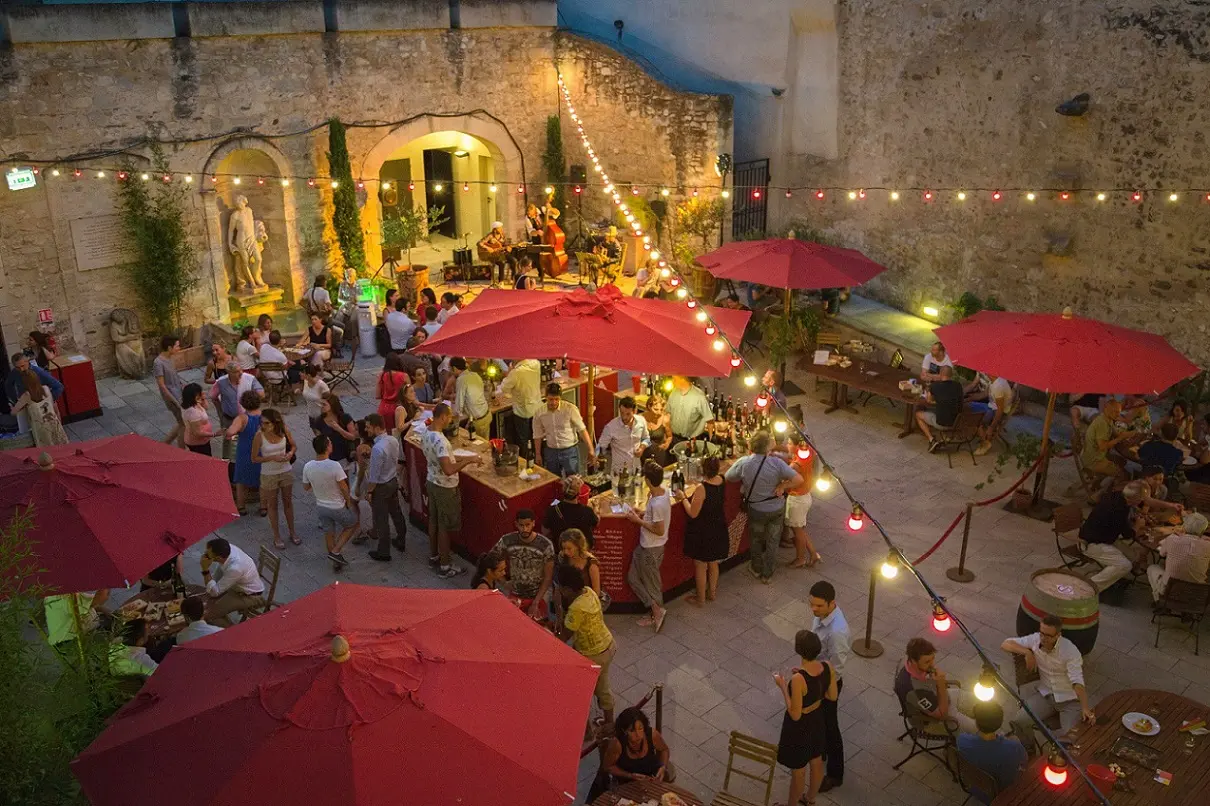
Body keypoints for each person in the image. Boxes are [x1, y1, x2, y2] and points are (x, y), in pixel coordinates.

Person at [1002, 615, 1095, 753]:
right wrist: (1027, 652)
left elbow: (1077, 682)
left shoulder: (1070, 651)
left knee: (1068, 740)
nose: (1043, 639)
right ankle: (1029, 750)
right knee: (1019, 721)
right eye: (1042, 633)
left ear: (1058, 635)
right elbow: (1005, 644)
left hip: (1069, 701)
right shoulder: (1035, 640)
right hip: (1045, 695)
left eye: (1048, 636)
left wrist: (1085, 708)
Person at [725, 431, 802, 583]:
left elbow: (728, 476)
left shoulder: (744, 463)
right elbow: (799, 479)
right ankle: (768, 573)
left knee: (756, 539)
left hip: (756, 509)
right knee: (773, 540)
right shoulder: (777, 463)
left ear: (751, 446)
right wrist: (783, 485)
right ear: (768, 448)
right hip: (776, 508)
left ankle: (756, 568)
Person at [774, 630, 838, 806]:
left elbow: (795, 714)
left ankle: (792, 804)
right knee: (816, 761)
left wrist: (782, 687)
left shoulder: (797, 679)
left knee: (799, 770)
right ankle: (810, 799)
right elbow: (832, 696)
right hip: (817, 720)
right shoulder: (827, 666)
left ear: (799, 650)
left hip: (800, 727)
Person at [421, 403, 481, 576]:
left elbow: (446, 458)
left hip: (431, 481)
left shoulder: (427, 432)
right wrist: (468, 461)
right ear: (443, 417)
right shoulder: (440, 440)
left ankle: (434, 555)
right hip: (445, 488)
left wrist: (468, 457)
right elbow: (448, 469)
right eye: (449, 418)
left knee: (434, 521)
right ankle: (445, 565)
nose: (450, 421)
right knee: (444, 527)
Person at [556, 563, 616, 731]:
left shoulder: (576, 608)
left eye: (560, 588)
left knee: (583, 692)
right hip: (607, 644)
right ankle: (608, 723)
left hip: (594, 655)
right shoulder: (588, 592)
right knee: (601, 687)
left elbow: (565, 636)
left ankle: (591, 730)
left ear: (567, 589)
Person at [808, 581, 850, 793]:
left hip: (828, 682)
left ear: (831, 603)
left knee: (831, 726)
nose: (814, 610)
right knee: (821, 720)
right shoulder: (821, 616)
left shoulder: (837, 632)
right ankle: (821, 749)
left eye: (818, 606)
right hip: (817, 675)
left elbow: (837, 667)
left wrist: (825, 687)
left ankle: (835, 774)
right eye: (812, 605)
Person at [893, 637, 978, 734]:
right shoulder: (914, 690)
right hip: (931, 720)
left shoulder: (909, 661)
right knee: (978, 730)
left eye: (933, 659)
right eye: (927, 662)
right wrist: (941, 684)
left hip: (939, 696)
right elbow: (943, 715)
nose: (932, 664)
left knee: (980, 702)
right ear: (913, 661)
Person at [624, 461, 671, 632]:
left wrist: (638, 521)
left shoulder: (657, 503)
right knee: (633, 577)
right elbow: (655, 519)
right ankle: (655, 609)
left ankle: (657, 613)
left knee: (652, 584)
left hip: (651, 549)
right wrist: (642, 513)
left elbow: (659, 530)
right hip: (647, 547)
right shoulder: (661, 493)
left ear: (648, 480)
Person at [676, 455, 728, 605]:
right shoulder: (722, 480)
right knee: (713, 562)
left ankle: (700, 598)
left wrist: (683, 497)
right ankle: (712, 593)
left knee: (700, 564)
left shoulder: (702, 488)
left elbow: (693, 513)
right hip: (718, 527)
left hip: (704, 531)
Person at [1078, 480, 1147, 593]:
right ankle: (1089, 588)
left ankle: (1110, 577)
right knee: (1125, 565)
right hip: (1091, 543)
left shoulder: (1116, 496)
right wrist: (1138, 526)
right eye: (1142, 499)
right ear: (1135, 500)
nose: (1143, 501)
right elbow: (1127, 535)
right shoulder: (1119, 509)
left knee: (1134, 556)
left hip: (1102, 536)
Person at [304, 434, 358, 567]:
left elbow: (306, 487)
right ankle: (336, 551)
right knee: (352, 524)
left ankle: (335, 562)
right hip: (337, 505)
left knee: (329, 533)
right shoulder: (334, 466)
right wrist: (349, 503)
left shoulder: (308, 466)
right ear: (327, 447)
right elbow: (344, 488)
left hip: (321, 506)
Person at [958, 703, 1028, 803]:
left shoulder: (962, 740)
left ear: (977, 723)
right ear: (1000, 723)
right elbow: (1024, 761)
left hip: (973, 786)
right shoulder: (1014, 747)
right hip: (1002, 794)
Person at [362, 413, 408, 563]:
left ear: (376, 428)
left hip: (381, 487)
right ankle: (401, 539)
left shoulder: (377, 449)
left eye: (368, 427)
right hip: (392, 480)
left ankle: (384, 551)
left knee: (381, 519)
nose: (366, 429)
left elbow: (374, 476)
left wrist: (369, 491)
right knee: (396, 512)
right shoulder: (392, 440)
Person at [492, 509, 555, 619]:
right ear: (516, 524)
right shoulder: (507, 540)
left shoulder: (545, 545)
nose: (524, 529)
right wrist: (504, 582)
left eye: (527, 525)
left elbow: (548, 577)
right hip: (515, 594)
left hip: (539, 595)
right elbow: (491, 560)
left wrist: (536, 602)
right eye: (521, 525)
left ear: (533, 523)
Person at [251, 408, 298, 549]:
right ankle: (277, 536)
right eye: (262, 423)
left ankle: (292, 532)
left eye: (266, 423)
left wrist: (290, 454)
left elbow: (294, 446)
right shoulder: (259, 436)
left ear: (274, 423)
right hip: (268, 474)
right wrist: (272, 457)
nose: (263, 426)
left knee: (288, 502)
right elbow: (254, 458)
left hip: (285, 470)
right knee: (272, 505)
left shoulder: (284, 431)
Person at [533, 382, 596, 477]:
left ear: (560, 398)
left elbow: (582, 430)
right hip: (551, 451)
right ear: (545, 397)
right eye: (550, 399)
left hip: (570, 451)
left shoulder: (570, 409)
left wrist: (591, 449)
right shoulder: (539, 413)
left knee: (574, 481)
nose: (553, 402)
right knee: (553, 481)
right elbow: (537, 435)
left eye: (556, 399)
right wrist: (538, 454)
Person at [201, 537, 265, 627]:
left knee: (209, 616)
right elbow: (219, 573)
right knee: (208, 602)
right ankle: (222, 615)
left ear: (218, 558)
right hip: (236, 586)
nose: (204, 556)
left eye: (207, 555)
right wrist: (212, 584)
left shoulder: (235, 568)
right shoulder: (228, 549)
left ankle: (231, 630)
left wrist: (205, 570)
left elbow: (214, 593)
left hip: (248, 596)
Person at [1146, 511, 1210, 601]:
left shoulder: (1172, 539)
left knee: (1152, 568)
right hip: (1196, 592)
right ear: (1203, 530)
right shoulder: (1208, 545)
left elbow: (1161, 554)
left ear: (1184, 526)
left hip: (1169, 589)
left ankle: (1159, 600)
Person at [604, 707, 675, 786]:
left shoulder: (652, 735)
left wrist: (663, 767)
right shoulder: (617, 744)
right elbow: (608, 767)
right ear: (624, 731)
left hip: (652, 777)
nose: (638, 735)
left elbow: (664, 750)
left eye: (640, 728)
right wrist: (630, 775)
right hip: (628, 783)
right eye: (632, 731)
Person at [208, 363, 264, 460]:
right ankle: (226, 461)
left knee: (249, 439)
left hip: (246, 418)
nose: (241, 372)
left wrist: (250, 399)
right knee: (228, 442)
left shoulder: (249, 379)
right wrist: (220, 413)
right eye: (237, 371)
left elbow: (261, 394)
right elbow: (213, 397)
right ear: (229, 372)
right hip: (229, 418)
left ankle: (250, 458)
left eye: (241, 370)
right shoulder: (221, 382)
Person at [225, 390, 264, 516]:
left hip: (245, 451)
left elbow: (230, 432)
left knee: (241, 481)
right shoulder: (265, 416)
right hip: (261, 450)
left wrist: (228, 432)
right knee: (263, 479)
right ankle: (263, 507)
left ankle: (241, 506)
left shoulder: (242, 418)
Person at [12, 363, 68, 447]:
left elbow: (14, 412)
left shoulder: (26, 396)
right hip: (53, 423)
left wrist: (12, 406)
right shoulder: (46, 388)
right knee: (61, 447)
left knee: (48, 452)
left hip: (41, 428)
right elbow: (54, 407)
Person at [786, 435, 820, 568]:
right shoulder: (808, 453)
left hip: (797, 499)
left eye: (789, 443)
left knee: (797, 532)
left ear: (796, 446)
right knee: (800, 530)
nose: (787, 445)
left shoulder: (795, 465)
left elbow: (785, 477)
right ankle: (813, 554)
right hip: (806, 496)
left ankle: (800, 559)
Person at [1080, 399, 1128, 488]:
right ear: (1106, 409)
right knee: (1123, 474)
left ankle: (1097, 484)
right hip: (1093, 460)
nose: (1118, 415)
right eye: (1116, 412)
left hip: (1094, 455)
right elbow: (1102, 447)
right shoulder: (1102, 424)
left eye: (1119, 412)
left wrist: (1129, 434)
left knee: (1122, 461)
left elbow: (1115, 432)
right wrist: (1118, 439)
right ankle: (1105, 495)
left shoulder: (1107, 419)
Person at [596, 396, 651, 474]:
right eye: (622, 413)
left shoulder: (641, 421)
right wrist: (596, 456)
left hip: (637, 469)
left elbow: (647, 438)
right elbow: (600, 446)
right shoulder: (611, 427)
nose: (624, 417)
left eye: (628, 414)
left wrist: (642, 448)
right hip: (618, 472)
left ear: (635, 411)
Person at [915, 365, 964, 449]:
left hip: (941, 423)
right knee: (936, 410)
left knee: (918, 414)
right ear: (951, 375)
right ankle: (944, 435)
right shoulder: (958, 386)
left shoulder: (935, 386)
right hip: (956, 421)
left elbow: (928, 401)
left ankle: (931, 439)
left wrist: (934, 399)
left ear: (940, 374)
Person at [501, 358, 541, 458]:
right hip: (537, 407)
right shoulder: (536, 364)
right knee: (536, 436)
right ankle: (538, 458)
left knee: (524, 440)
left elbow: (504, 387)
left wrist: (510, 371)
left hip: (522, 411)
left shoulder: (516, 372)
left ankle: (526, 461)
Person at [544, 475, 600, 546]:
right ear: (579, 493)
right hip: (581, 552)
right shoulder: (586, 511)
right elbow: (596, 522)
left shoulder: (552, 510)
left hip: (561, 550)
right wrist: (596, 507)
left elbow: (545, 531)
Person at [44, 589, 110, 647]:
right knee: (112, 632)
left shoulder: (59, 590)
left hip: (73, 631)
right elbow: (100, 598)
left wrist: (101, 609)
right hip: (71, 640)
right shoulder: (63, 595)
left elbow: (86, 603)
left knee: (110, 619)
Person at [153, 335, 186, 447]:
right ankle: (181, 451)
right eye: (177, 346)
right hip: (172, 397)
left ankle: (164, 445)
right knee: (183, 425)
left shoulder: (170, 358)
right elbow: (162, 385)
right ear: (169, 348)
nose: (179, 348)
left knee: (181, 422)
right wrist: (175, 401)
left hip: (179, 394)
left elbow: (174, 376)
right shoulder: (158, 362)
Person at [451, 357, 493, 439]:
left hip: (478, 421)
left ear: (454, 368)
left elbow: (459, 406)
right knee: (484, 446)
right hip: (486, 415)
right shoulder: (475, 374)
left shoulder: (461, 379)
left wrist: (452, 422)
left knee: (475, 447)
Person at [973, 373, 1014, 456]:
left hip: (997, 411)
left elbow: (1000, 410)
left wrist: (991, 427)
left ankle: (985, 443)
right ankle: (983, 436)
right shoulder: (995, 380)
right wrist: (969, 399)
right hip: (991, 407)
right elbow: (984, 394)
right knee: (970, 407)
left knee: (976, 420)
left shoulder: (998, 386)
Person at [558, 528, 602, 602]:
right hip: (567, 603)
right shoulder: (563, 557)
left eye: (569, 548)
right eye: (564, 548)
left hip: (586, 604)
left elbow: (596, 592)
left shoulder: (591, 563)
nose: (566, 552)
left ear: (578, 546)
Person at [666, 376, 713, 442]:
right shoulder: (673, 393)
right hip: (674, 438)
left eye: (675, 379)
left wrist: (711, 442)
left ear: (683, 379)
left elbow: (709, 420)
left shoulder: (699, 396)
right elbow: (668, 414)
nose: (673, 381)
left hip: (692, 441)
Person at [180, 383, 215, 456]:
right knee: (205, 461)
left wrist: (203, 398)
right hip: (197, 443)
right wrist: (214, 434)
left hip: (203, 440)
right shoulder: (192, 412)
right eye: (199, 395)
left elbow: (206, 407)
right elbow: (197, 433)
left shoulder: (194, 403)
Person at [376, 352, 410, 421]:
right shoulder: (404, 376)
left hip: (384, 408)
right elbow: (410, 394)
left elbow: (378, 395)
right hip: (400, 408)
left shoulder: (382, 375)